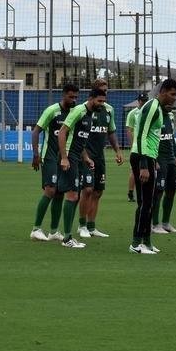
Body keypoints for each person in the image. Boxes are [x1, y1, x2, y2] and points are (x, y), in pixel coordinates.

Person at [129, 79, 176, 254]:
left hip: (149, 157)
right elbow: (141, 134)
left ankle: (146, 242)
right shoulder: (152, 106)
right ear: (164, 91)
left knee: (148, 202)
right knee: (145, 203)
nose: (175, 98)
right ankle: (136, 243)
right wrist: (144, 164)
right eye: (173, 94)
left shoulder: (159, 108)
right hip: (141, 157)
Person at [55, 86, 109, 248]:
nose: (102, 104)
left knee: (75, 196)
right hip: (69, 157)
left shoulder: (91, 114)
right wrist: (64, 157)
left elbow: (80, 139)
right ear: (91, 99)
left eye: (104, 101)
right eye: (99, 101)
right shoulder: (79, 110)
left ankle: (68, 236)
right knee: (72, 196)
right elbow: (63, 132)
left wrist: (85, 157)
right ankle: (67, 238)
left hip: (78, 157)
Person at [30, 83, 80, 242]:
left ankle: (53, 231)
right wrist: (36, 154)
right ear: (63, 95)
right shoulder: (52, 110)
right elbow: (36, 130)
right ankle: (36, 229)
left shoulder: (74, 112)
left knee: (59, 193)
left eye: (76, 97)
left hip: (63, 158)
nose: (73, 100)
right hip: (49, 156)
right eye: (71, 96)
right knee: (50, 190)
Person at [77, 78, 122, 239]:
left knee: (97, 192)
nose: (106, 92)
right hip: (85, 155)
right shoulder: (83, 109)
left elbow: (111, 132)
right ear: (94, 92)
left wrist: (117, 150)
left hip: (100, 156)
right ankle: (81, 226)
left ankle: (91, 226)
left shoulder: (109, 110)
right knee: (87, 190)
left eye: (107, 90)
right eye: (103, 90)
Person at [150, 100, 176, 235]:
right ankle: (154, 224)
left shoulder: (170, 117)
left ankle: (166, 223)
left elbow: (171, 137)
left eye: (172, 102)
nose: (171, 104)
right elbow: (149, 138)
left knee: (172, 190)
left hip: (170, 159)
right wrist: (154, 159)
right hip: (160, 159)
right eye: (169, 102)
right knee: (158, 191)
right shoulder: (155, 116)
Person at [125, 91, 147, 202]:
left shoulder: (148, 112)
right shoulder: (133, 113)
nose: (143, 102)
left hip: (147, 146)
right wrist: (132, 145)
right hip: (136, 146)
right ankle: (130, 192)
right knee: (134, 171)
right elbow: (129, 129)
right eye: (142, 100)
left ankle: (144, 193)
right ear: (138, 101)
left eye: (145, 101)